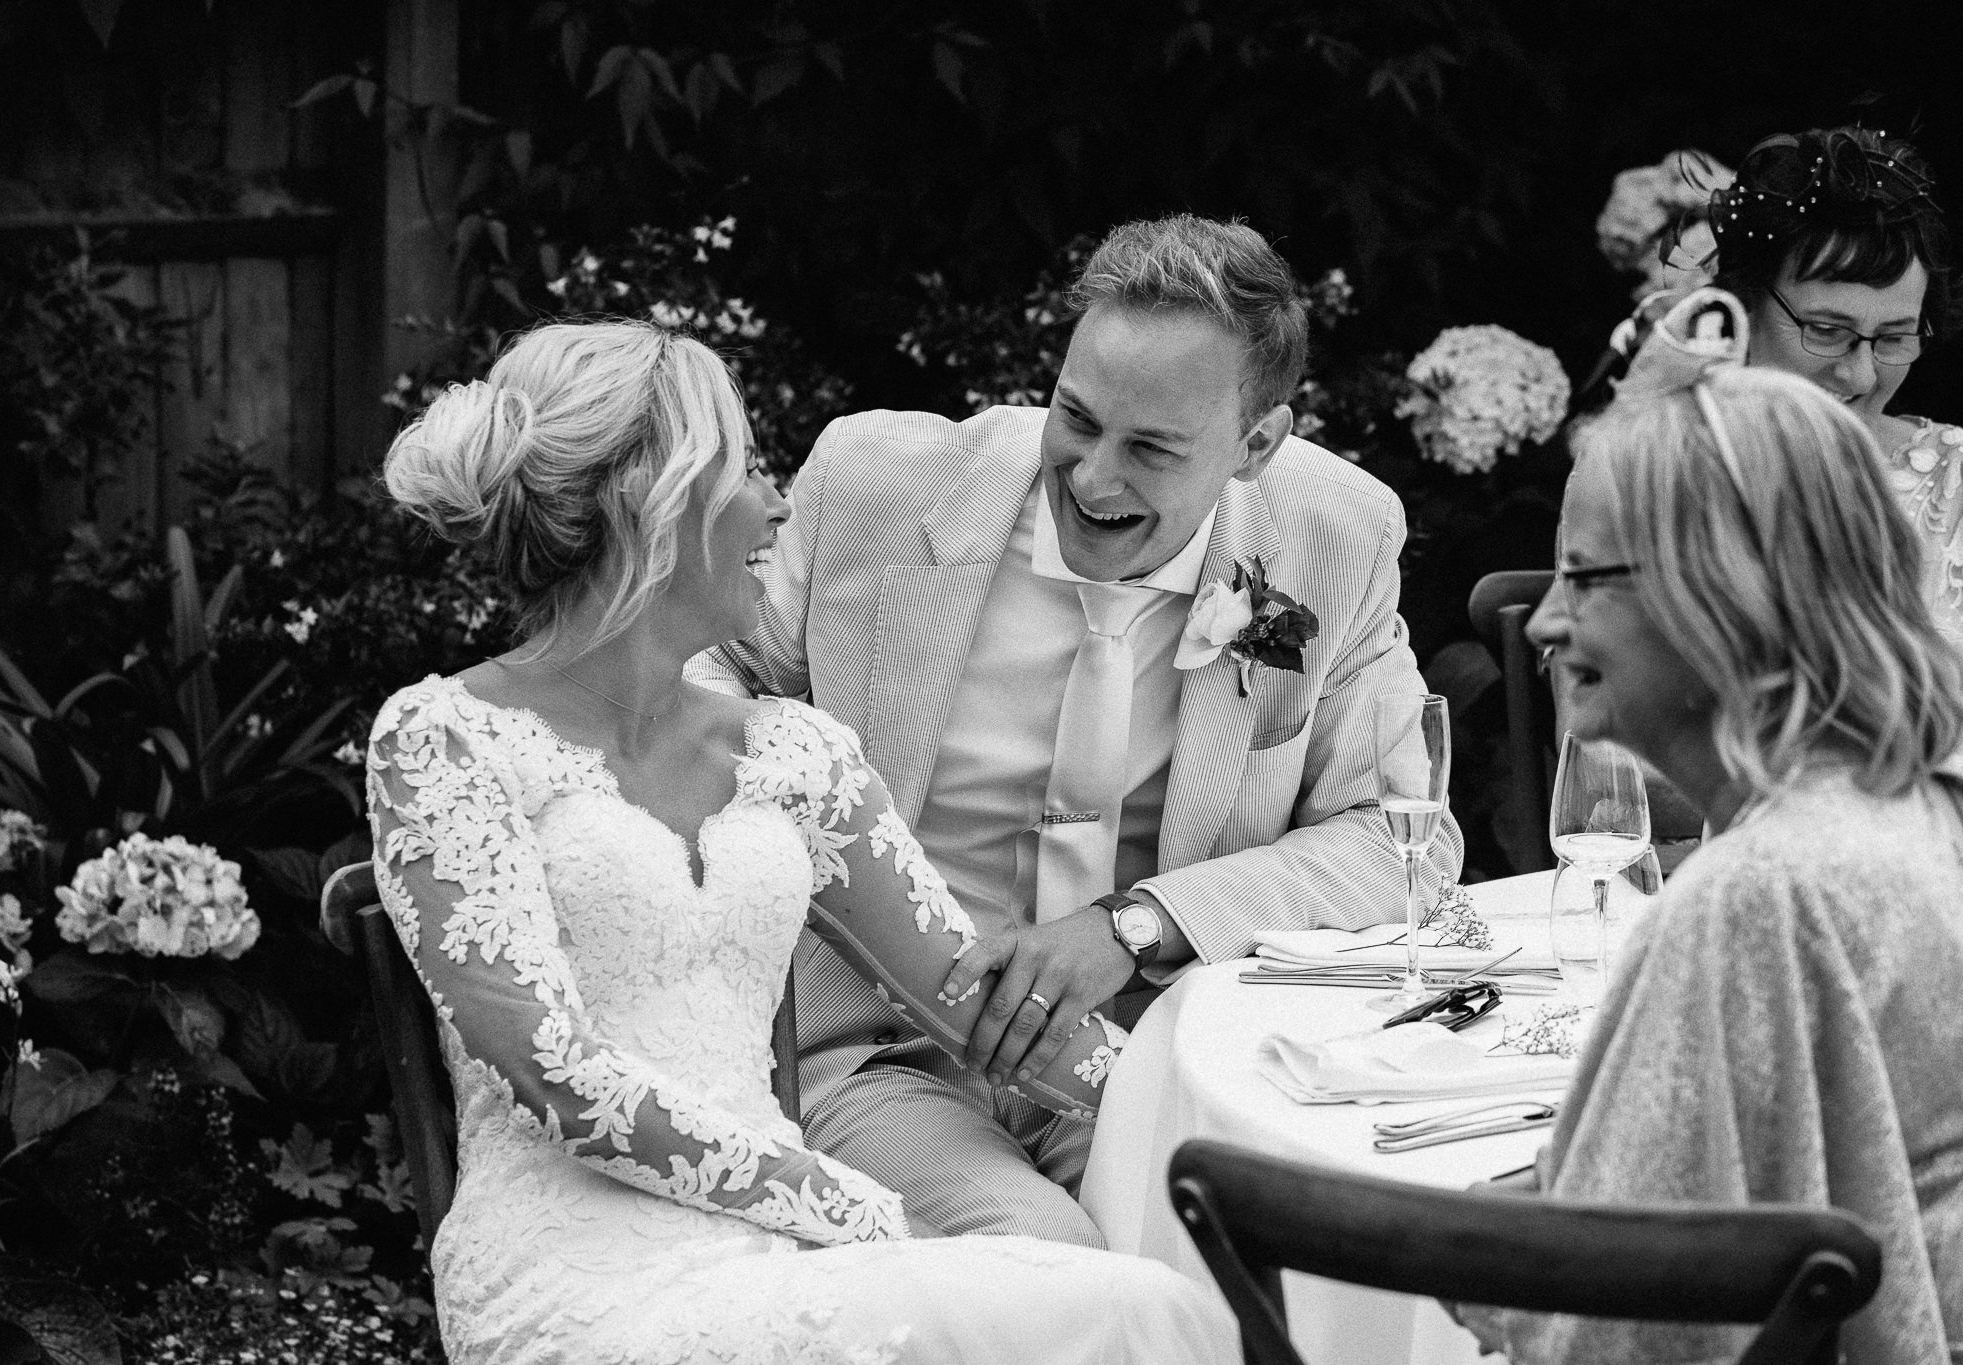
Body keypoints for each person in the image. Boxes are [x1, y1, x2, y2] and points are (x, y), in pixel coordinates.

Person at [366, 320, 1241, 1364]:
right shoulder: (440, 741)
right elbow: (556, 1077)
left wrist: (1234, 1112)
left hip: (780, 1251)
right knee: (1129, 1316)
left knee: (1141, 1304)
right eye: (743, 465)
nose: (776, 503)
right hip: (578, 1274)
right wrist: (842, 1202)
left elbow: (979, 1003)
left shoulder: (797, 757)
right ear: (652, 499)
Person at [688, 214, 1463, 1244]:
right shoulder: (872, 486)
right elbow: (704, 674)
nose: (1094, 479)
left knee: (1278, 1244)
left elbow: (1397, 836)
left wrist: (1137, 925)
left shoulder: (1335, 530)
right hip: (883, 1051)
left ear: (1258, 445)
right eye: (1075, 418)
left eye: (1149, 449)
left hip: (1155, 1052)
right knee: (1052, 1270)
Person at [1457, 292, 1963, 1363]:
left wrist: (1458, 1261)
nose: (1545, 622)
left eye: (1583, 576)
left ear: (1719, 596)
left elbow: (1613, 1333)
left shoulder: (1758, 896)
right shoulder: (1908, 803)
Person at [1708, 124, 1963, 638]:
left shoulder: (1957, 484)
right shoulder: (1640, 474)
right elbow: (1596, 715)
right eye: (1826, 331)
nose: (1862, 374)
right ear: (1744, 305)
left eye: (1894, 338)